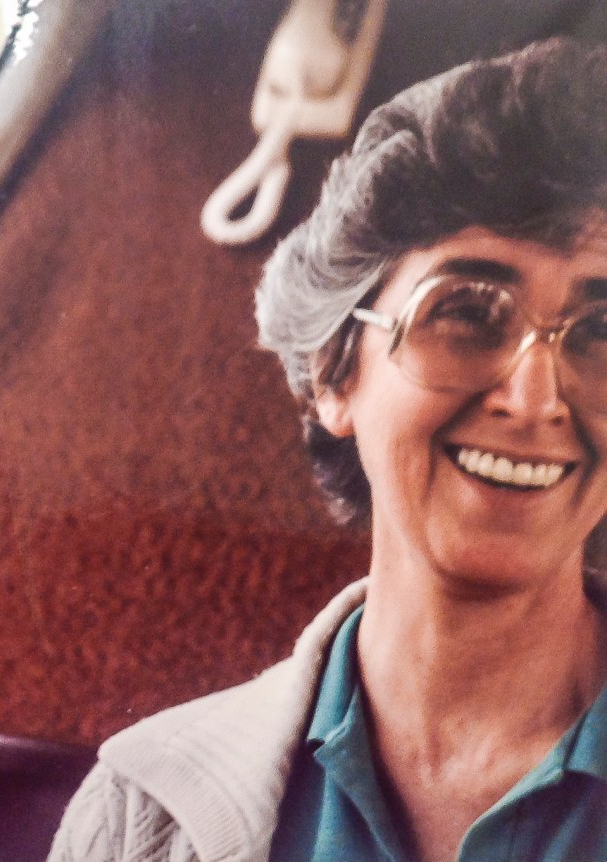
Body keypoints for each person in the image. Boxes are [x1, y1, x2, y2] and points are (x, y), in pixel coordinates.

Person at [49, 38, 607, 862]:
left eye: (600, 332)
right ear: (334, 372)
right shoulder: (139, 821)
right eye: (465, 313)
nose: (533, 399)